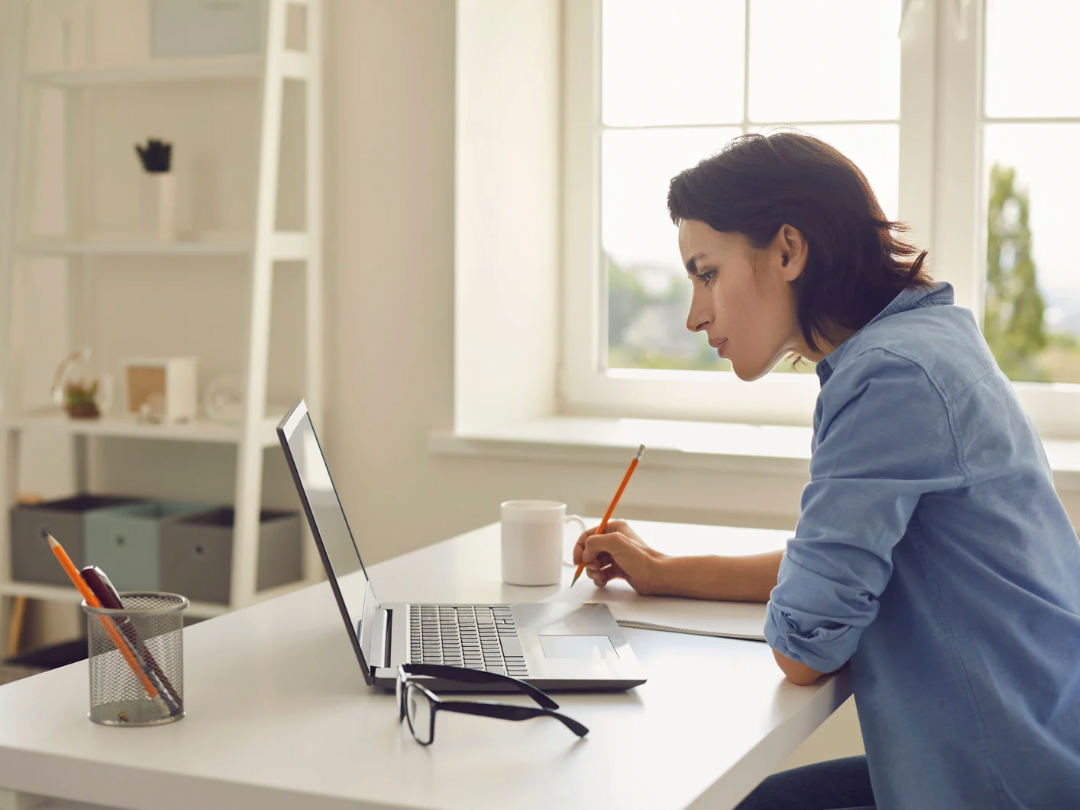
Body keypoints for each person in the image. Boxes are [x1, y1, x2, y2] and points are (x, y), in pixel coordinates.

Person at [572, 132, 1080, 810]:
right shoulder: (930, 338)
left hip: (1003, 784)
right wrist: (665, 571)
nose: (696, 314)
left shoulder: (887, 378)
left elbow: (807, 650)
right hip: (1039, 744)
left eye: (707, 272)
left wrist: (810, 595)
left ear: (788, 249)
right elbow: (838, 575)